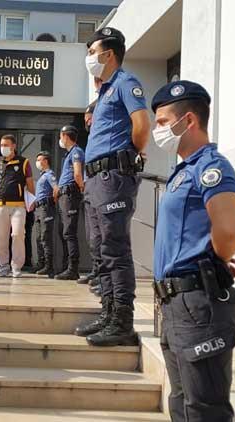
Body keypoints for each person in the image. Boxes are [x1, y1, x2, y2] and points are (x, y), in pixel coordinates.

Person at [152, 80, 235, 422]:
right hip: (176, 304)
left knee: (204, 409)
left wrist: (216, 260)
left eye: (162, 122)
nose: (159, 130)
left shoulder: (210, 167)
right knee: (182, 403)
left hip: (197, 305)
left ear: (188, 120)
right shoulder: (182, 171)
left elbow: (230, 228)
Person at [73, 27, 150, 347]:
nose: (90, 57)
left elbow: (142, 125)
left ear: (110, 54)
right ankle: (108, 312)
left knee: (115, 249)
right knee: (100, 249)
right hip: (95, 181)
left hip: (112, 177)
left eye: (93, 51)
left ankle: (121, 321)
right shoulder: (104, 90)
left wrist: (128, 156)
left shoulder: (125, 82)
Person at [0, 134, 35, 278]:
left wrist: (32, 201)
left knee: (17, 234)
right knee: (2, 237)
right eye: (1, 145)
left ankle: (16, 267)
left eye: (6, 145)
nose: (3, 148)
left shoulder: (24, 162)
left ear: (13, 146)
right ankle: (4, 266)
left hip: (18, 206)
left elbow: (30, 183)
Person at [54, 125, 85, 280]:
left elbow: (78, 174)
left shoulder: (76, 152)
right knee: (64, 232)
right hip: (64, 196)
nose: (60, 139)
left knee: (69, 233)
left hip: (70, 195)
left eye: (61, 136)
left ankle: (73, 269)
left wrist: (81, 188)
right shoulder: (70, 153)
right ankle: (67, 266)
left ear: (65, 136)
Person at [81, 100, 102, 289]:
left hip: (100, 188)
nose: (88, 123)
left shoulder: (104, 136)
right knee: (91, 235)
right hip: (89, 189)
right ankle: (96, 270)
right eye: (86, 121)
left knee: (100, 236)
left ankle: (103, 275)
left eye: (90, 119)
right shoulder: (92, 139)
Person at [32, 151, 57, 278]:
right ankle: (41, 263)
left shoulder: (49, 174)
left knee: (45, 237)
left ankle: (49, 266)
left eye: (39, 159)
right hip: (38, 209)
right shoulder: (42, 175)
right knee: (38, 237)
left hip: (46, 208)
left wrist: (52, 203)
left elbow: (56, 189)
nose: (37, 162)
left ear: (46, 161)